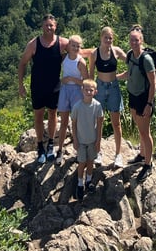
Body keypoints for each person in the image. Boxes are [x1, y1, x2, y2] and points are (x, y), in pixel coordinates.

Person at [18, 14, 69, 164]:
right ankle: (40, 147)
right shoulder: (34, 44)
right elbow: (22, 63)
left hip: (54, 86)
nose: (49, 28)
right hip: (38, 86)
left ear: (56, 26)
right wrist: (20, 85)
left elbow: (77, 50)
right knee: (38, 116)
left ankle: (51, 145)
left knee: (53, 114)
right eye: (46, 25)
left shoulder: (62, 43)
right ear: (42, 26)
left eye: (51, 25)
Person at [118, 25, 156, 182]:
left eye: (137, 40)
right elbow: (129, 74)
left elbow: (152, 84)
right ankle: (141, 155)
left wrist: (149, 104)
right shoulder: (130, 56)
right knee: (140, 129)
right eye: (132, 40)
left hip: (143, 99)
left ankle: (148, 164)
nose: (134, 43)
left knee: (145, 132)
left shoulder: (146, 59)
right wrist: (114, 77)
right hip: (133, 96)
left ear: (142, 41)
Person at [88, 26, 128, 168]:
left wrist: (124, 75)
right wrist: (90, 90)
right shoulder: (95, 53)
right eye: (106, 37)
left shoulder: (116, 51)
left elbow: (131, 60)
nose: (108, 40)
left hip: (114, 88)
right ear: (101, 37)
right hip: (99, 88)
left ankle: (118, 155)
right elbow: (91, 73)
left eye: (110, 38)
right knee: (99, 121)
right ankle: (98, 152)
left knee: (116, 123)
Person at [55, 34, 88, 165]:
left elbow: (85, 82)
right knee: (63, 122)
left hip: (76, 92)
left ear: (80, 47)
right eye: (73, 45)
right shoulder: (64, 58)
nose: (75, 48)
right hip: (64, 90)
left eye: (77, 46)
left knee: (77, 122)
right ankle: (60, 149)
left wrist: (73, 80)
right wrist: (62, 80)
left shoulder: (80, 62)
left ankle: (78, 150)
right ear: (68, 46)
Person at [71, 78, 104, 201]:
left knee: (90, 161)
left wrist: (98, 141)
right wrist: (75, 139)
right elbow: (73, 124)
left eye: (91, 90)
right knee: (81, 163)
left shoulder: (97, 106)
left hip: (92, 140)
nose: (88, 92)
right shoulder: (77, 107)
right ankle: (80, 184)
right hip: (81, 141)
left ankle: (88, 181)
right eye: (86, 90)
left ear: (95, 91)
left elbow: (100, 124)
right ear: (82, 90)